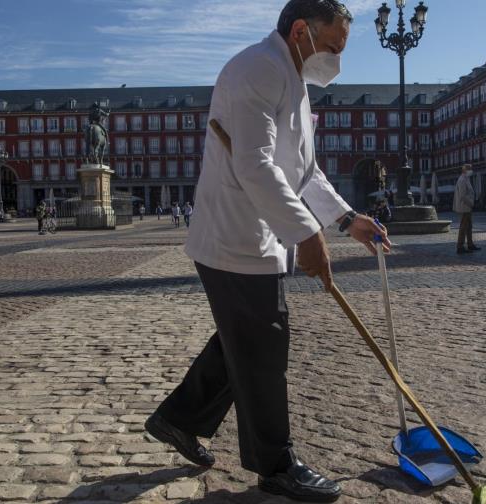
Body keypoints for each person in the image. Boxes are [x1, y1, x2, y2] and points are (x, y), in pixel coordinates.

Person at [145, 2, 389, 502]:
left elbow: (303, 171)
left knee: (243, 340)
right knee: (263, 347)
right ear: (301, 30)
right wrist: (306, 234)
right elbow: (255, 165)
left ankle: (178, 419)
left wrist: (346, 220)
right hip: (234, 238)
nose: (336, 60)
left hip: (256, 237)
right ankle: (275, 465)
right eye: (333, 46)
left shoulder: (291, 77)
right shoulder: (257, 69)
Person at [453, 164, 480, 254]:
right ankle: (460, 246)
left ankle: (470, 244)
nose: (471, 171)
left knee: (469, 226)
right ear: (465, 170)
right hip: (464, 206)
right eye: (470, 169)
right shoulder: (462, 180)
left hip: (467, 207)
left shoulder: (466, 179)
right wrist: (471, 203)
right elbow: (463, 196)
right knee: (463, 227)